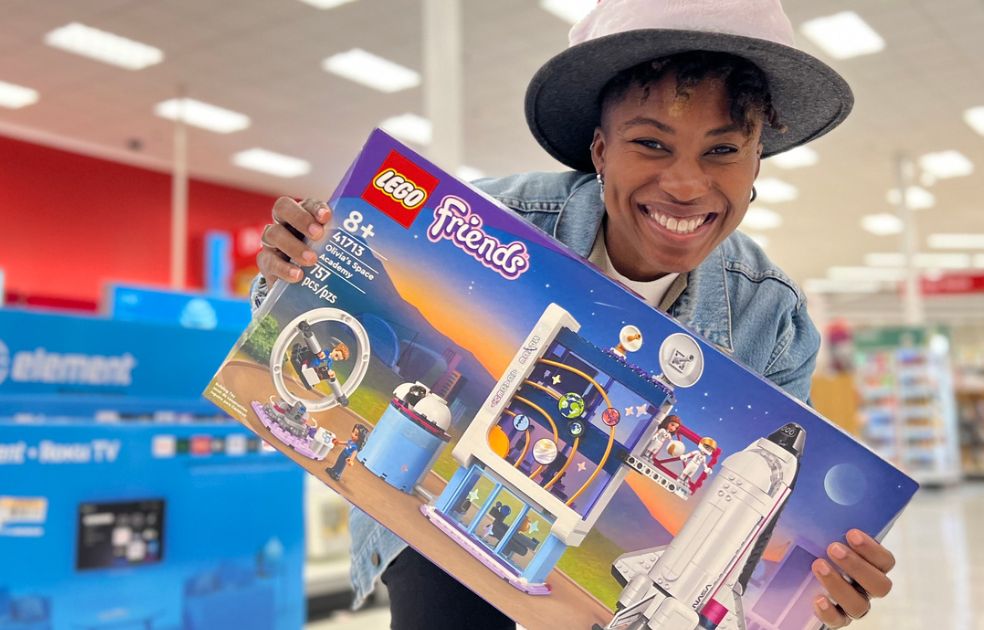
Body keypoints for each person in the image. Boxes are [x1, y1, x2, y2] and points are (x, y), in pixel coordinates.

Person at [253, 1, 897, 627]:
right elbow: (308, 317)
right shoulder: (483, 224)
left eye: (723, 152)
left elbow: (789, 516)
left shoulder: (770, 313)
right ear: (599, 149)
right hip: (444, 513)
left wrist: (820, 590)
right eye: (650, 142)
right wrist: (293, 269)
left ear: (758, 160)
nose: (686, 184)